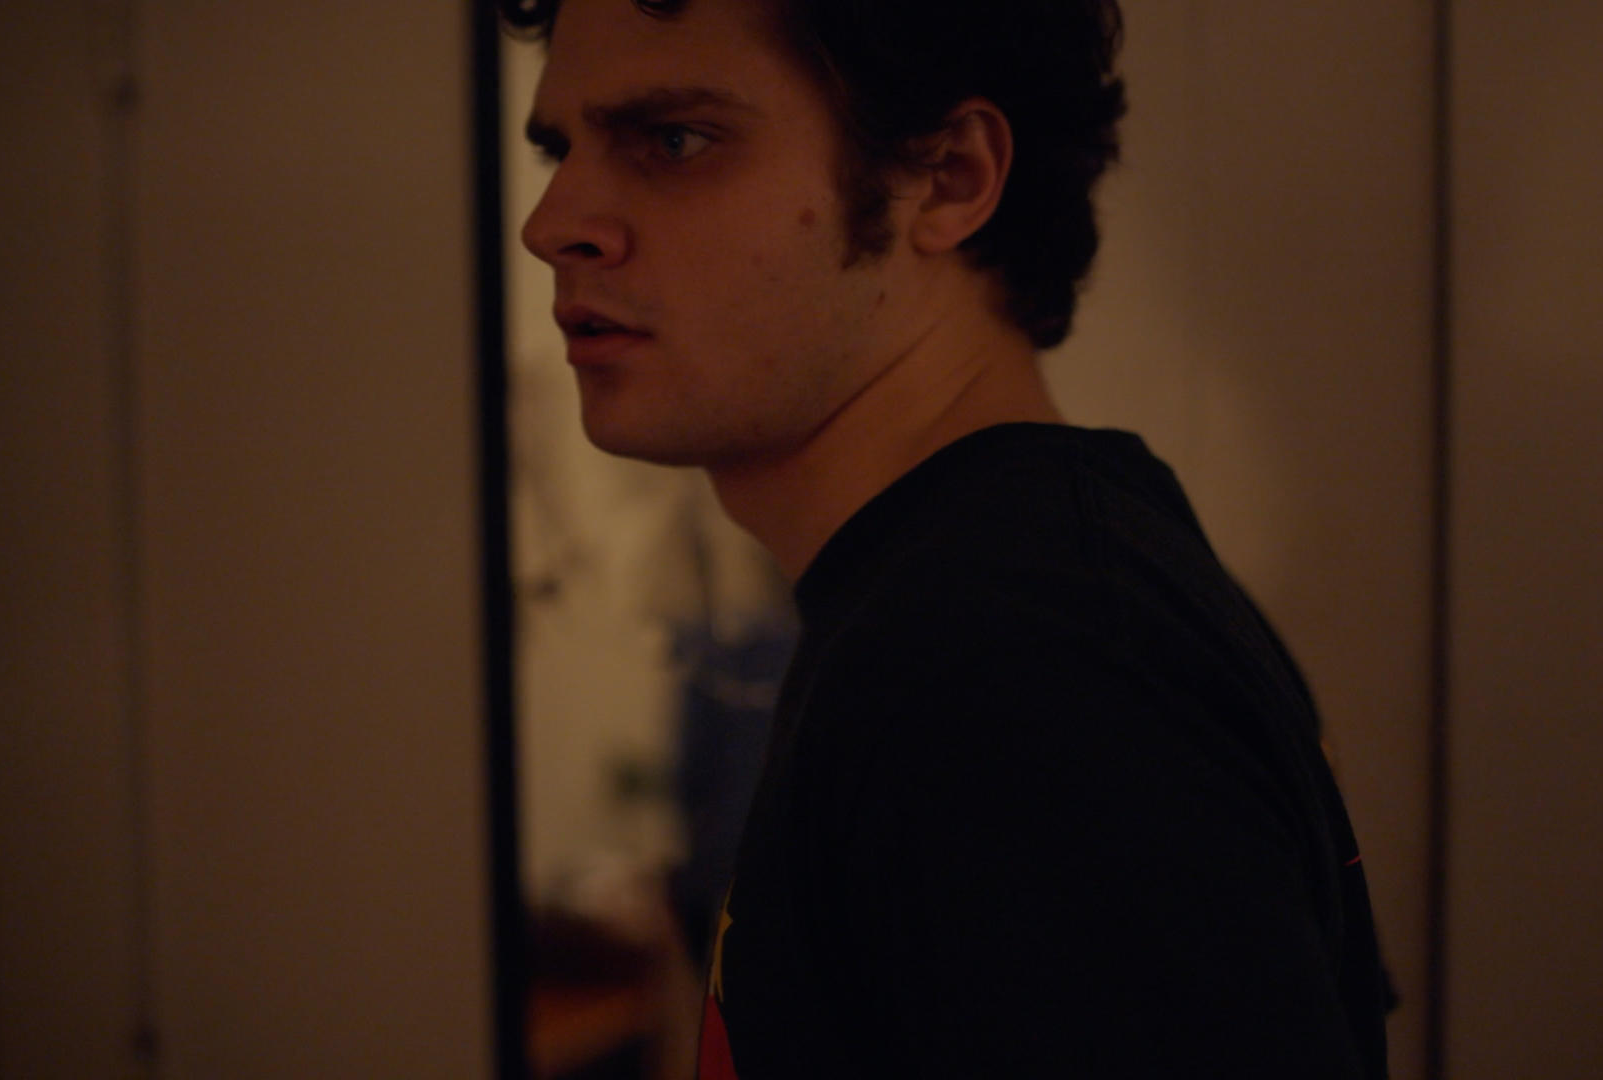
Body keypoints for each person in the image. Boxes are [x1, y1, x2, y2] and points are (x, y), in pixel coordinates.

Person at [503, 0, 1392, 1074]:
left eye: (675, 140)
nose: (554, 223)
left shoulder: (1022, 665)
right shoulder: (994, 602)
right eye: (560, 149)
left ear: (949, 177)